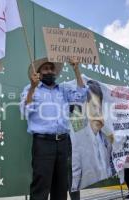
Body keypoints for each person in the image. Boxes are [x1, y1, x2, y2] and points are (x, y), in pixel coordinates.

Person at [20, 57, 87, 200]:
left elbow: (81, 97)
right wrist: (32, 87)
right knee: (41, 186)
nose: (50, 71)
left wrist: (76, 70)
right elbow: (25, 111)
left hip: (63, 142)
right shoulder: (30, 89)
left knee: (61, 186)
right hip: (43, 143)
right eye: (46, 68)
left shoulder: (63, 89)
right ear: (38, 73)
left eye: (52, 68)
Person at [70, 80, 115, 191]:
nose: (98, 113)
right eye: (94, 107)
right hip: (86, 188)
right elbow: (75, 166)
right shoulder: (77, 131)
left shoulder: (102, 134)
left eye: (100, 108)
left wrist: (106, 132)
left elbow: (109, 165)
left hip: (103, 185)